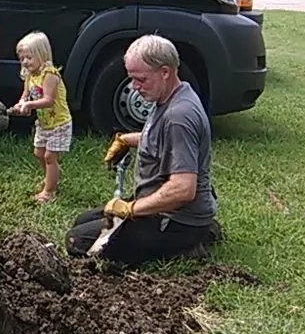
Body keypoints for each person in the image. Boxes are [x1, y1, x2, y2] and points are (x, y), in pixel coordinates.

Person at [65, 34, 218, 266]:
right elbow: (161, 138)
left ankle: (190, 244)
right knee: (82, 221)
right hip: (165, 208)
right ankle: (201, 230)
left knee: (77, 241)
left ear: (165, 72)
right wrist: (127, 139)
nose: (135, 88)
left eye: (141, 79)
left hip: (176, 219)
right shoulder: (174, 94)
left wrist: (131, 208)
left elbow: (183, 189)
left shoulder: (179, 116)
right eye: (131, 79)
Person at [7, 31, 72, 203]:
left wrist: (30, 105)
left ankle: (49, 191)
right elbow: (26, 95)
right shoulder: (30, 75)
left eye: (29, 57)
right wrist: (21, 104)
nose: (25, 62)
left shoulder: (50, 74)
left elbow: (48, 100)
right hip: (44, 123)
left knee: (50, 156)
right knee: (39, 153)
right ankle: (52, 175)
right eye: (22, 58)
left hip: (59, 122)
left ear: (42, 55)